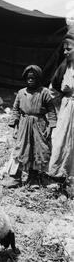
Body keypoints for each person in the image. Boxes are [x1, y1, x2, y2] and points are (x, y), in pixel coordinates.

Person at [3, 65, 57, 188]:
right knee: (20, 149)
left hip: (39, 125)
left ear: (38, 79)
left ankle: (33, 178)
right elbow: (15, 110)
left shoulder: (44, 93)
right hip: (23, 124)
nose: (30, 80)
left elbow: (51, 111)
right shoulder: (21, 93)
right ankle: (15, 178)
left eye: (33, 78)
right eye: (28, 78)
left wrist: (50, 127)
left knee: (37, 150)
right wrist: (15, 127)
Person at [48, 24, 74, 180]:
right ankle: (59, 172)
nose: (65, 52)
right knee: (61, 140)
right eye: (64, 49)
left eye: (69, 49)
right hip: (67, 108)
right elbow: (53, 88)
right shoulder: (64, 67)